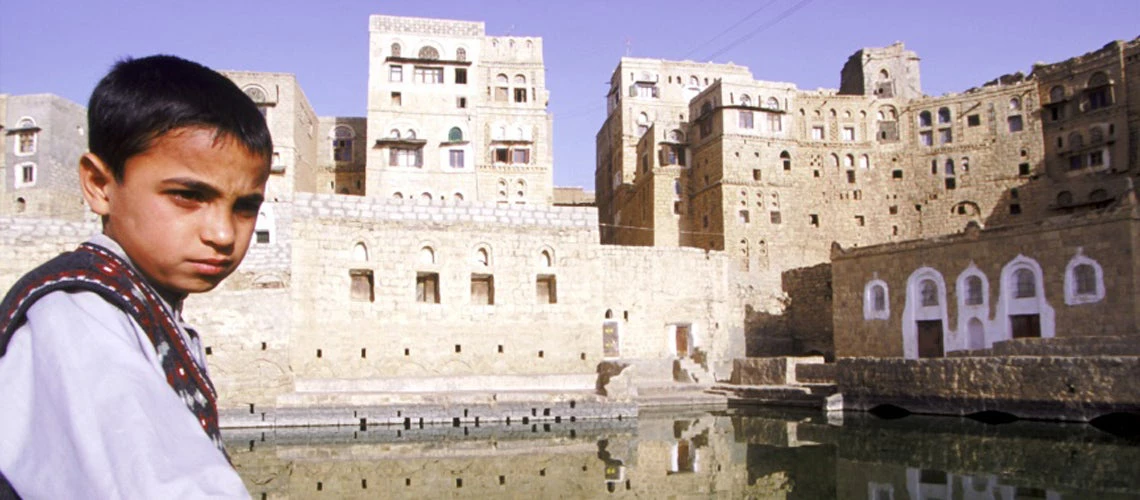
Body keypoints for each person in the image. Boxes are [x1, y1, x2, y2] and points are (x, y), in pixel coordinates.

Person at [0, 54, 271, 498]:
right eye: (188, 196)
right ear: (100, 185)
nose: (223, 233)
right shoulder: (77, 318)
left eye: (245, 207)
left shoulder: (138, 306)